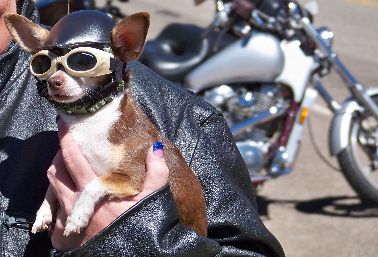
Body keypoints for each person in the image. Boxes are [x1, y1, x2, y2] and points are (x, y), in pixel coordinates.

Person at [0, 0, 285, 256]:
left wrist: (131, 239)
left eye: (83, 62)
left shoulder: (179, 117)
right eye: (45, 65)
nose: (57, 77)